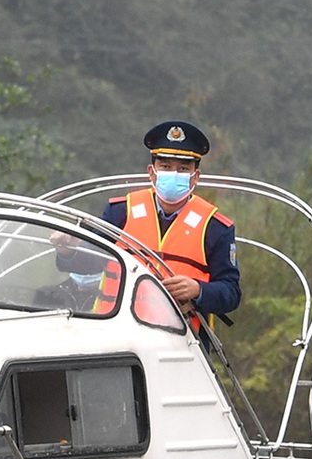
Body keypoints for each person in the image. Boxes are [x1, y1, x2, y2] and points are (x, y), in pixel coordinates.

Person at [101, 120, 241, 328]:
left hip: (181, 339)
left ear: (195, 177)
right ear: (152, 172)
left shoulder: (215, 227)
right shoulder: (120, 212)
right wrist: (68, 250)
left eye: (183, 169)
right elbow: (87, 264)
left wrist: (199, 289)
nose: (173, 174)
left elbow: (231, 294)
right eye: (166, 167)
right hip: (116, 329)